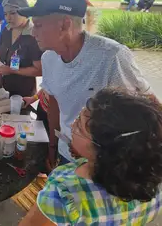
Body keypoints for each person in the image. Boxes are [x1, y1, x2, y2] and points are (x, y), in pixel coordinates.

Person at [18, 0, 154, 170]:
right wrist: (53, 146)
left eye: (38, 25)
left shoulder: (111, 56)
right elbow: (54, 104)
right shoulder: (48, 58)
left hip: (105, 165)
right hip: (66, 151)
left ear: (64, 25)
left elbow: (150, 109)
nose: (33, 32)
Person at [19, 89, 162, 225]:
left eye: (80, 126)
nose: (72, 124)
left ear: (103, 151)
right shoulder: (153, 189)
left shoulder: (62, 196)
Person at [0, 0, 42, 97]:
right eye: (5, 14)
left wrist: (13, 70)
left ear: (24, 12)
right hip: (5, 87)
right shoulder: (7, 30)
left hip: (24, 91)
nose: (8, 18)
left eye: (12, 13)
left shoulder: (33, 36)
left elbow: (39, 70)